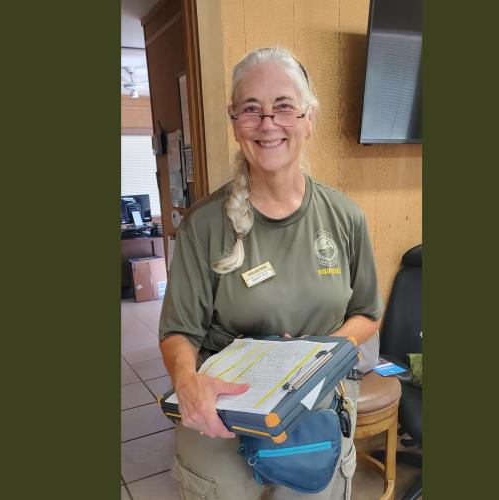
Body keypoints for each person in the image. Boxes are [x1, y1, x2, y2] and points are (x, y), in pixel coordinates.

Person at [159, 46, 382, 500]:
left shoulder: (345, 217)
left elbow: (366, 311)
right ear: (235, 122)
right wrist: (186, 381)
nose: (268, 123)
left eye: (284, 107)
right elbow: (178, 331)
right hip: (224, 412)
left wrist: (324, 356)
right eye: (251, 110)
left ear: (308, 119)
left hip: (315, 404)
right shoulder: (203, 225)